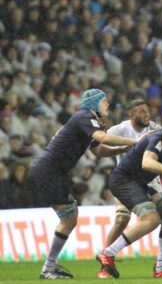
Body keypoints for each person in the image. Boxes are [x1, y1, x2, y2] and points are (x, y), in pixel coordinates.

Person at [30, 89, 138, 279]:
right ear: (94, 103)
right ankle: (48, 268)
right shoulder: (85, 116)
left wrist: (122, 148)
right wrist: (134, 141)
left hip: (54, 171)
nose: (107, 104)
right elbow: (103, 138)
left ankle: (49, 266)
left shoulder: (87, 120)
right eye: (104, 101)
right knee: (68, 216)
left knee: (70, 215)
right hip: (50, 170)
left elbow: (98, 151)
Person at [96, 111, 162, 278]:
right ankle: (108, 253)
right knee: (151, 219)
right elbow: (147, 163)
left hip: (140, 183)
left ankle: (161, 268)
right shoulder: (158, 137)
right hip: (124, 181)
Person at [101, 99, 161, 268]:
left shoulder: (154, 128)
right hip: (125, 182)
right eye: (141, 111)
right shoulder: (120, 129)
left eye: (147, 110)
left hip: (150, 182)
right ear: (131, 115)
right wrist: (119, 149)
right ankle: (105, 263)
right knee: (121, 219)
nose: (146, 114)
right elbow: (99, 145)